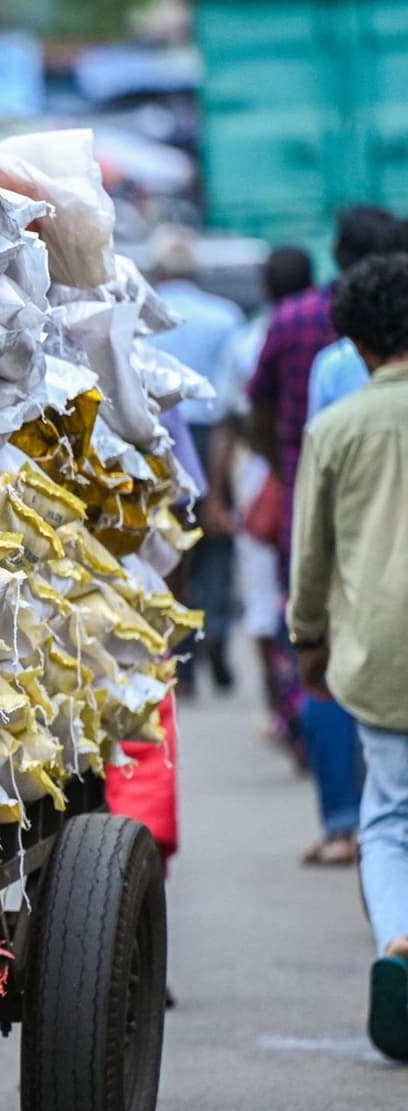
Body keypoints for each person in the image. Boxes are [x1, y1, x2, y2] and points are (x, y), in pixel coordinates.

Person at [247, 207, 401, 866]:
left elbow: (312, 471)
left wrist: (306, 631)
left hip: (350, 546)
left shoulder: (320, 351)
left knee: (337, 678)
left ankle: (343, 823)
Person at [287, 252, 408, 1061]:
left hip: (381, 652)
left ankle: (399, 942)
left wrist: (306, 638)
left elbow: (312, 554)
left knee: (391, 817)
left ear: (357, 345)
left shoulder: (335, 428)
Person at [209, 247, 315, 744]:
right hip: (305, 471)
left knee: (263, 595)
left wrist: (220, 495)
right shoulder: (336, 326)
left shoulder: (251, 338)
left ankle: (282, 706)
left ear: (267, 289)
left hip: (263, 472)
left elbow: (234, 419)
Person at [146, 226, 244, 694]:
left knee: (172, 551)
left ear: (160, 269)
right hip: (214, 435)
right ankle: (219, 640)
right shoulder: (224, 317)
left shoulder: (146, 315)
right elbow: (231, 397)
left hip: (159, 438)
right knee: (217, 545)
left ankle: (182, 659)